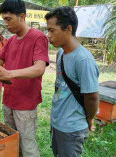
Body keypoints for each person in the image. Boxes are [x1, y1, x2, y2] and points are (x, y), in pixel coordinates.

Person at [0, 0, 49, 156]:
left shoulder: (38, 37)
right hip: (8, 100)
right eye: (4, 20)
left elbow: (40, 68)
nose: (5, 24)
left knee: (27, 146)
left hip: (25, 103)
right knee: (13, 143)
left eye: (8, 19)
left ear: (21, 16)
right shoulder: (11, 40)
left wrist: (10, 73)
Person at [45, 7, 99, 157]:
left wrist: (89, 118)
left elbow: (92, 97)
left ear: (68, 29)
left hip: (72, 127)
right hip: (57, 121)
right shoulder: (61, 53)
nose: (48, 35)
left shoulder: (83, 59)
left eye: (52, 30)